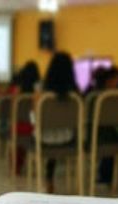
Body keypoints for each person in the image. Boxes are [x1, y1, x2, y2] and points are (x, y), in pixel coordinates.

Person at [42, 51, 79, 193]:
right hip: (68, 138)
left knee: (49, 133)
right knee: (61, 132)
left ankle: (49, 178)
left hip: (44, 139)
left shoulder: (43, 96)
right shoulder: (76, 97)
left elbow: (35, 118)